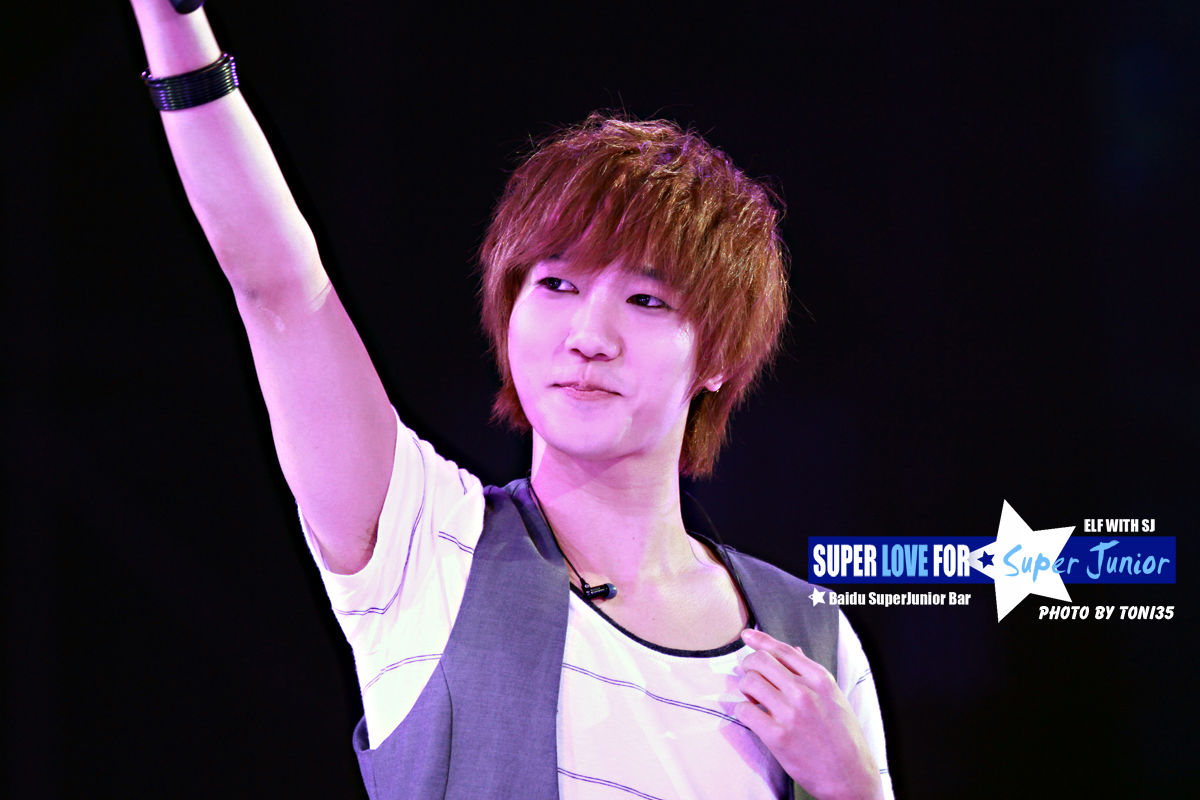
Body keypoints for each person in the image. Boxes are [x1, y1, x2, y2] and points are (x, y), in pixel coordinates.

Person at [130, 2, 893, 798]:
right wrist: (173, 23)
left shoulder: (812, 646)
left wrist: (854, 787)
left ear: (721, 358)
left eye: (646, 301)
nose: (589, 336)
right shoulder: (427, 546)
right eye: (557, 285)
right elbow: (278, 282)